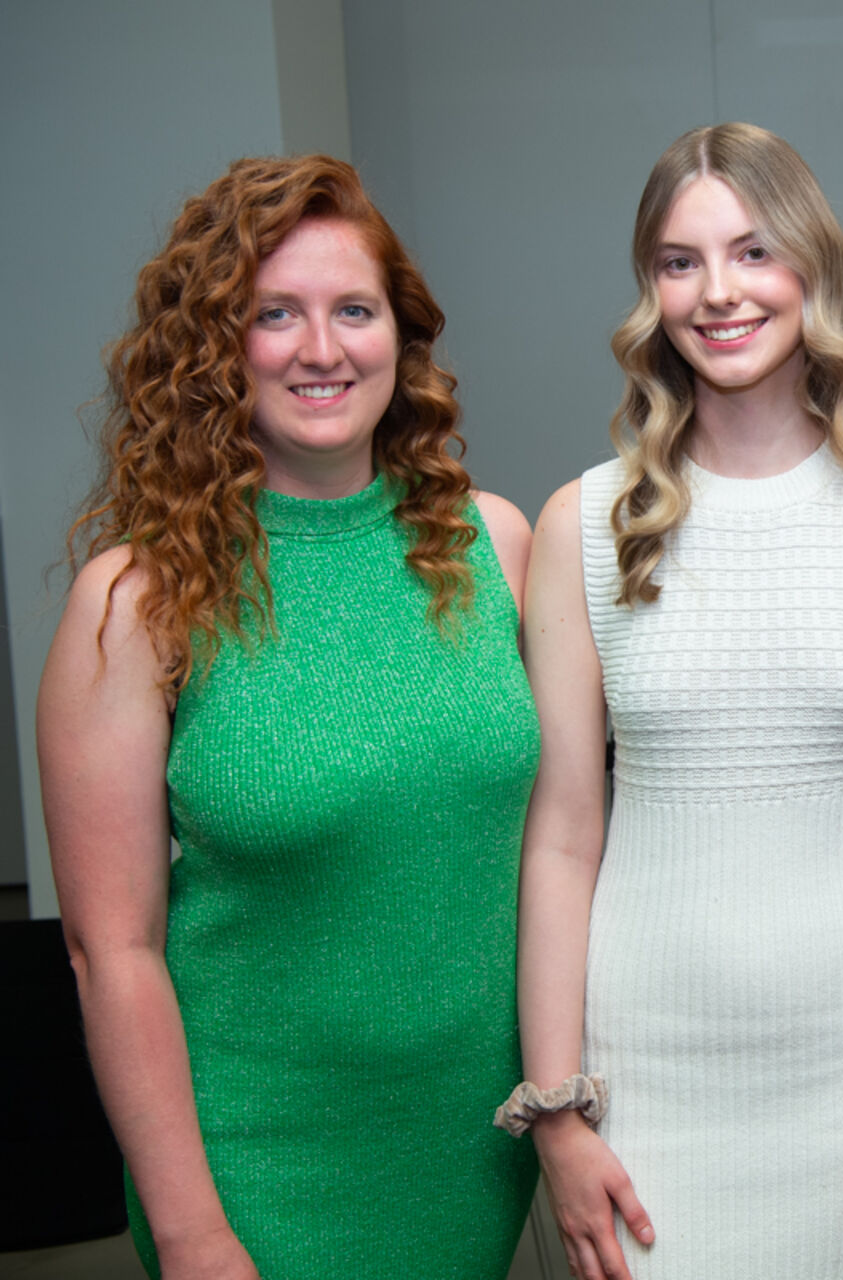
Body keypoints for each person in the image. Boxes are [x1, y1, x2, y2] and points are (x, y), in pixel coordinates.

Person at [38, 155, 539, 1279]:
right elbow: (110, 951)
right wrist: (191, 1233)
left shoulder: (492, 544)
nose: (322, 349)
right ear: (215, 347)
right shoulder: (139, 600)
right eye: (275, 314)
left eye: (354, 309)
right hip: (259, 1171)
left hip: (473, 1148)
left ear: (400, 335)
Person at [511, 122, 843, 1280]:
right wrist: (558, 1112)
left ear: (813, 266)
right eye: (681, 261)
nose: (718, 292)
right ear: (651, 290)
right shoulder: (584, 524)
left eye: (754, 251)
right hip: (640, 1081)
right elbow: (562, 834)